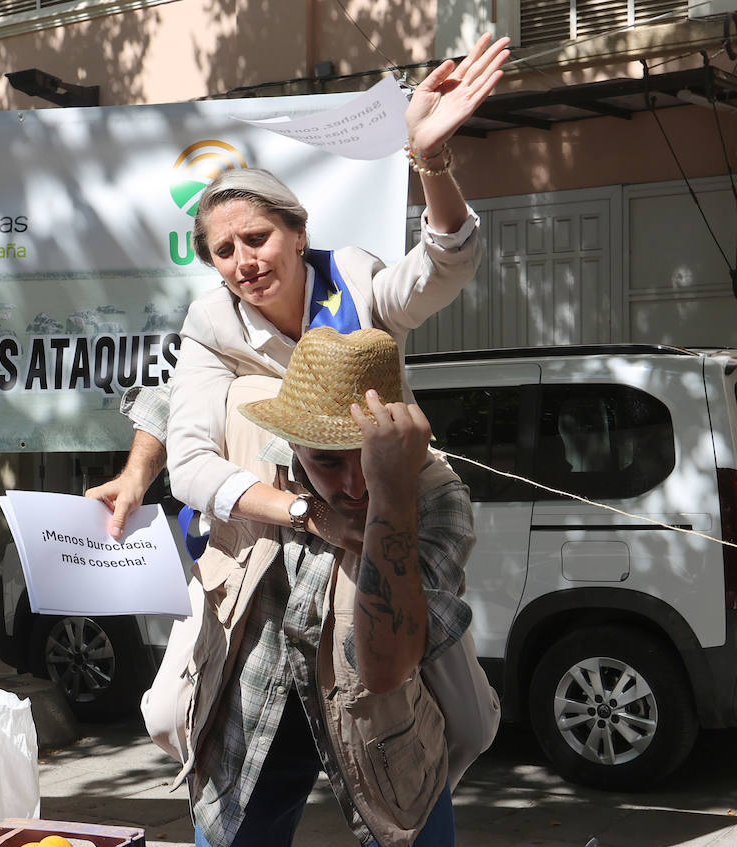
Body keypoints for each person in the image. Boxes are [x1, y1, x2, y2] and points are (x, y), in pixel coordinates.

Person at [90, 33, 509, 544]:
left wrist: (431, 158)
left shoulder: (356, 281)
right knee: (247, 395)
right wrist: (305, 514)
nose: (244, 262)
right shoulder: (213, 324)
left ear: (299, 236)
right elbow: (192, 464)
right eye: (224, 252)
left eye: (257, 238)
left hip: (388, 502)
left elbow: (446, 265)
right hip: (281, 525)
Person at [186, 327, 478, 847]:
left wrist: (390, 499)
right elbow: (170, 424)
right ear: (290, 440)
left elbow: (385, 667)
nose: (353, 484)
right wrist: (130, 483)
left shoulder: (434, 497)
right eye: (328, 461)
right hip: (250, 727)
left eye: (366, 459)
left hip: (385, 738)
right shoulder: (251, 452)